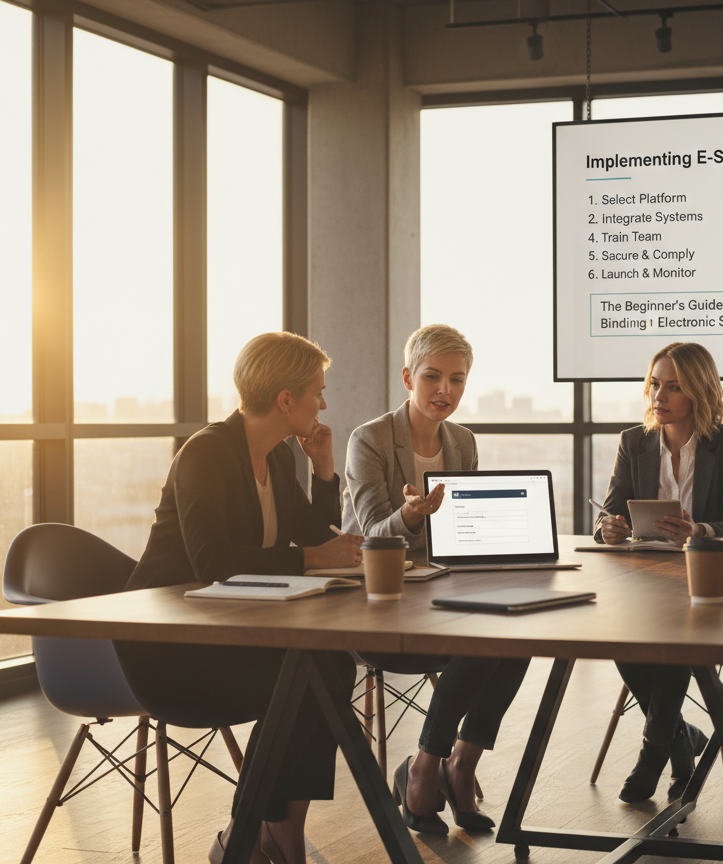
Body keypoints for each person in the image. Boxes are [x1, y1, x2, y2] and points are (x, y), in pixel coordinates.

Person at [117, 332, 365, 864]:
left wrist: (323, 470)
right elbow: (213, 562)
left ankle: (276, 832)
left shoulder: (276, 460)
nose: (323, 403)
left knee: (332, 667)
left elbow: (313, 534)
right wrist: (314, 559)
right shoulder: (204, 453)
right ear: (285, 399)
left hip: (229, 628)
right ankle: (245, 833)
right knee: (309, 675)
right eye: (317, 392)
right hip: (167, 646)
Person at [343, 323, 530, 835]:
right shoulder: (371, 439)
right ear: (408, 376)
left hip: (439, 594)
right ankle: (424, 768)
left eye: (457, 380)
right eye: (432, 377)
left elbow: (459, 534)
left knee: (516, 630)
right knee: (479, 634)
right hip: (378, 603)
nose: (444, 390)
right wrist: (409, 515)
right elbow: (367, 541)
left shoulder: (463, 442)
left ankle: (458, 765)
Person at [594, 341, 723, 802]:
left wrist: (697, 528)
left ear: (699, 392)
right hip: (643, 576)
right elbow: (605, 512)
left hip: (704, 575)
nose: (658, 397)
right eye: (654, 385)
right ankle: (681, 741)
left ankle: (653, 751)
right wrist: (609, 527)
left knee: (677, 637)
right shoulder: (634, 442)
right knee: (622, 637)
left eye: (673, 387)